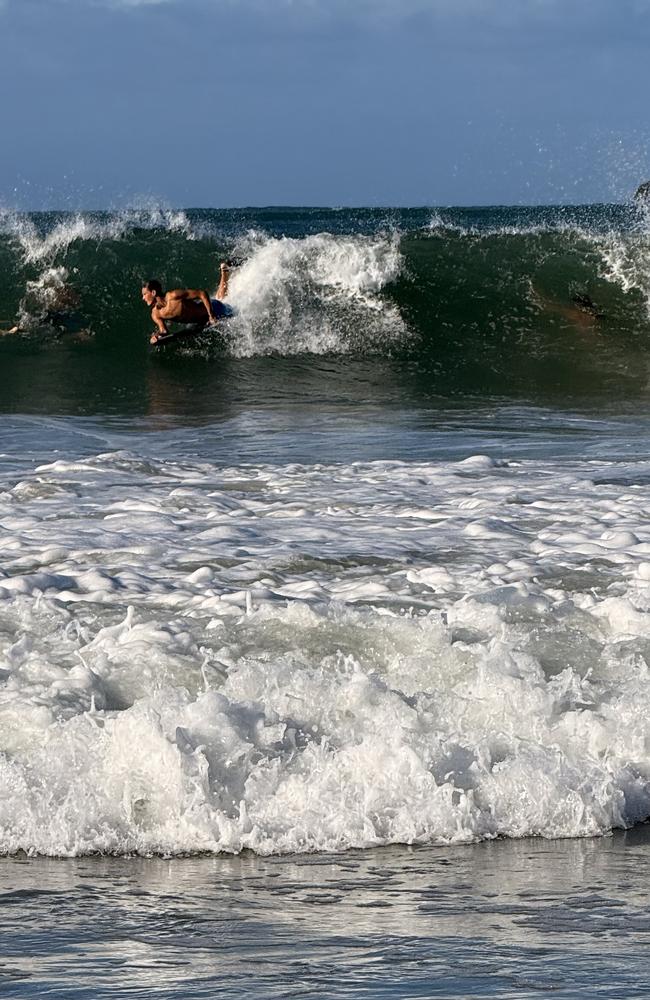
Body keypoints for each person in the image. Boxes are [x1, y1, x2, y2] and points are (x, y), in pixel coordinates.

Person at [142, 262, 234, 345]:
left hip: (215, 309)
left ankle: (225, 272)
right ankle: (225, 272)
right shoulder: (156, 314)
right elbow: (164, 331)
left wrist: (211, 316)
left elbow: (202, 294)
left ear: (153, 293)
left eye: (145, 294)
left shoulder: (173, 296)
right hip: (201, 321)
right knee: (221, 298)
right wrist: (157, 336)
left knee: (231, 308)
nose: (143, 298)